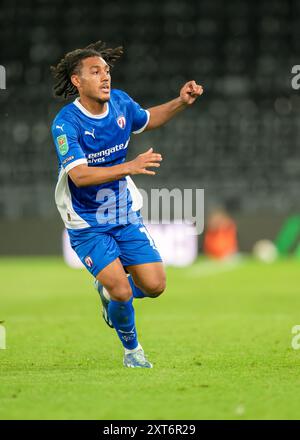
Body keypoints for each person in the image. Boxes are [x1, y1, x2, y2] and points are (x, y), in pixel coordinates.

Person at [51, 41, 203, 368]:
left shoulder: (120, 103)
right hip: (86, 222)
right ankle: (133, 351)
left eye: (107, 71)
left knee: (155, 285)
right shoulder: (67, 123)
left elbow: (148, 119)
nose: (105, 77)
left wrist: (181, 101)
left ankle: (107, 293)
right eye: (95, 72)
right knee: (121, 290)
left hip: (122, 212)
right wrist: (127, 167)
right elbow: (79, 176)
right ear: (77, 81)